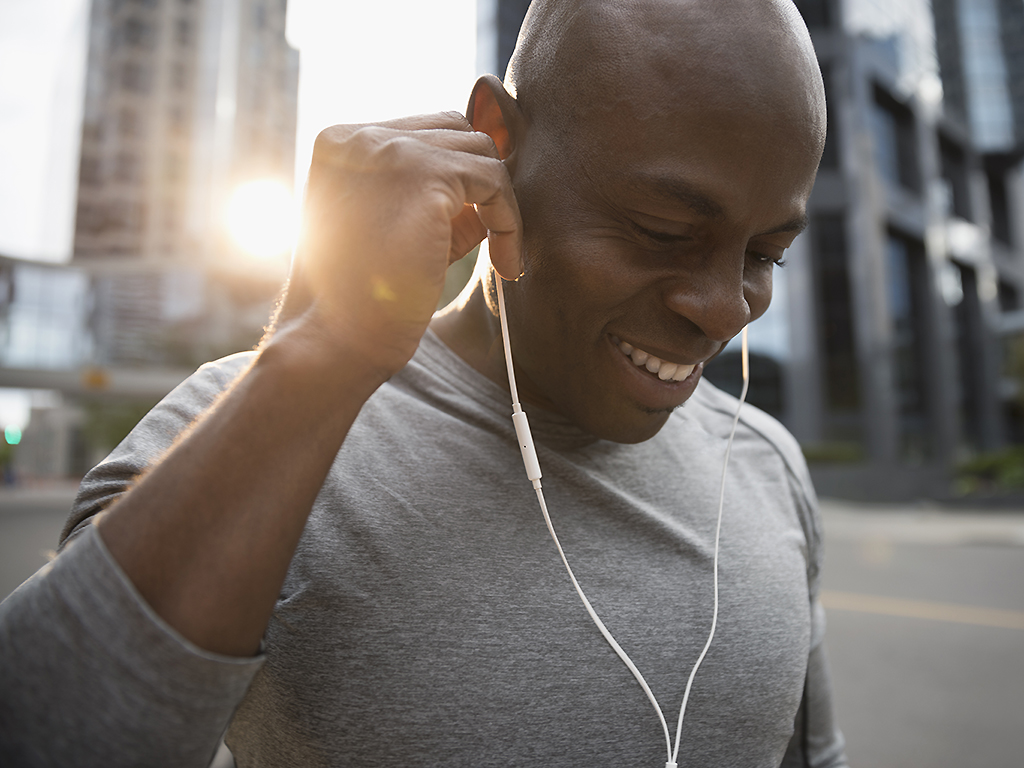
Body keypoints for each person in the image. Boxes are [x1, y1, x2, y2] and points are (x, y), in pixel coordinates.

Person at [0, 0, 848, 765]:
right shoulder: (259, 423)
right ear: (499, 141)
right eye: (662, 231)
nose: (725, 309)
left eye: (765, 254)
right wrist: (319, 353)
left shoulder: (768, 465)